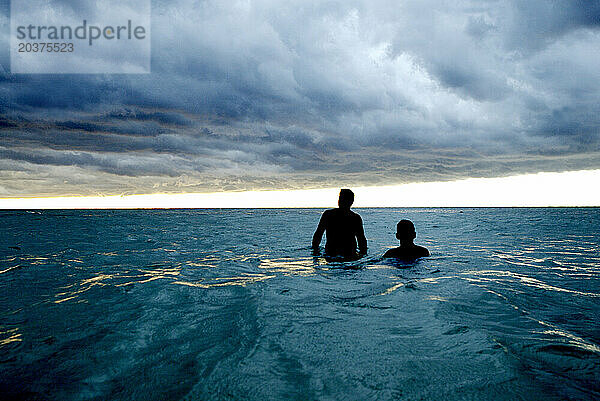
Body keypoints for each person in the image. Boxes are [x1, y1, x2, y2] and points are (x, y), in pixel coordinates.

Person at [312, 189, 367, 259]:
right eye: (340, 198)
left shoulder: (329, 214)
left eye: (342, 199)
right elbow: (361, 241)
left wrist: (315, 253)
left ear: (351, 202)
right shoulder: (355, 218)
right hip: (345, 254)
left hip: (336, 254)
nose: (340, 201)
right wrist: (364, 255)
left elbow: (318, 235)